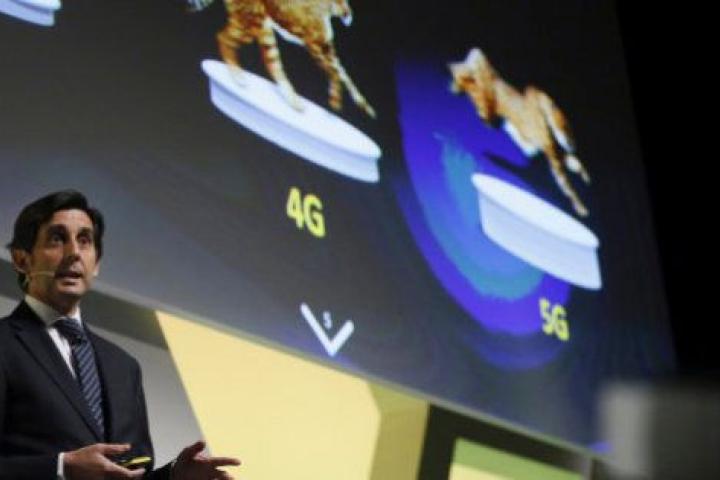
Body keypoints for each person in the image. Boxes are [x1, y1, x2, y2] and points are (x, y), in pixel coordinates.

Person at [0, 190, 241, 480]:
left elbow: (131, 473)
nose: (74, 252)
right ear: (22, 259)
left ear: (96, 264)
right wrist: (62, 468)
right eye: (57, 238)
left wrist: (173, 476)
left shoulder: (124, 367)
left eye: (85, 240)